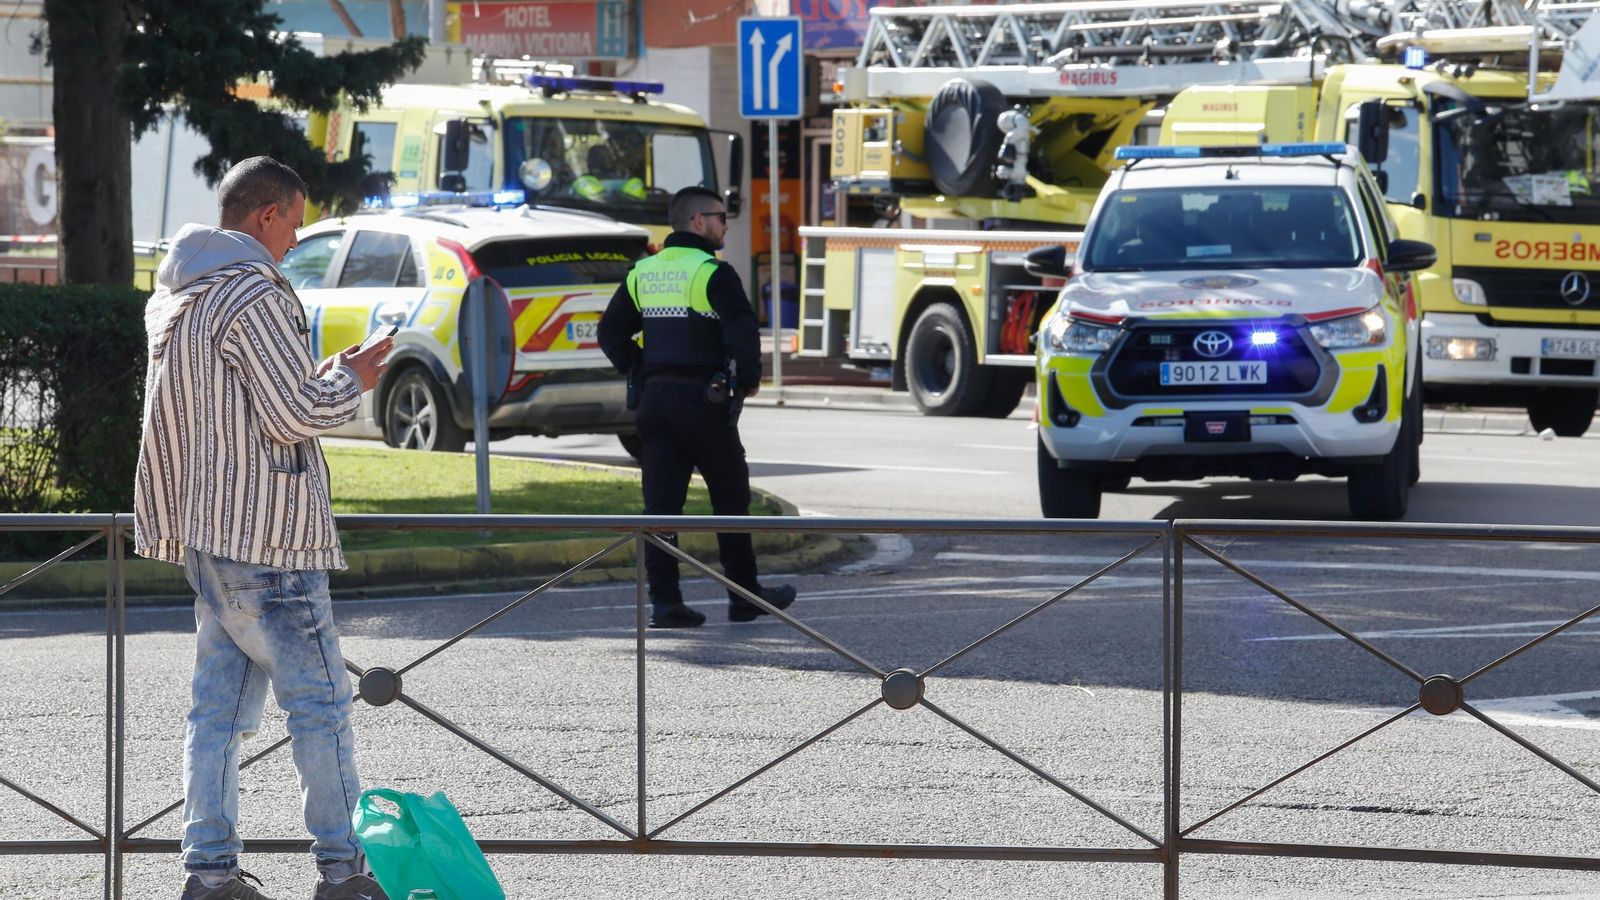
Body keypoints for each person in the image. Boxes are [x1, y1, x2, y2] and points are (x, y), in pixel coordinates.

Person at [134, 156, 395, 900]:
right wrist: (354, 380)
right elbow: (294, 416)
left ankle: (209, 874)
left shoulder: (184, 296)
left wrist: (324, 372)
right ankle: (345, 872)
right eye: (294, 222)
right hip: (271, 539)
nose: (296, 239)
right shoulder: (253, 294)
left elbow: (244, 407)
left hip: (209, 535)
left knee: (217, 715)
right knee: (321, 708)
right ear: (266, 216)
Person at [598, 186, 797, 628]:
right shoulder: (714, 273)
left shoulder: (641, 272)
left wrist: (641, 369)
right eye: (721, 217)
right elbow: (742, 335)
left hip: (654, 402)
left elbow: (610, 334)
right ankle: (745, 596)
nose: (726, 224)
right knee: (730, 500)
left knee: (661, 509)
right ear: (698, 222)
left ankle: (666, 603)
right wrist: (746, 383)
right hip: (703, 403)